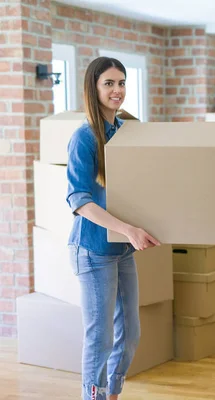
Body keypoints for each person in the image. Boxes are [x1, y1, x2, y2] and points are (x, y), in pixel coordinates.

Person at [66, 56, 160, 400]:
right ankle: (94, 395)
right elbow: (79, 201)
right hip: (92, 251)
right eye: (109, 83)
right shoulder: (84, 138)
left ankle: (111, 392)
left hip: (121, 250)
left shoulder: (124, 132)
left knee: (131, 333)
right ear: (94, 87)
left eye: (121, 83)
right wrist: (129, 229)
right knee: (100, 337)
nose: (117, 90)